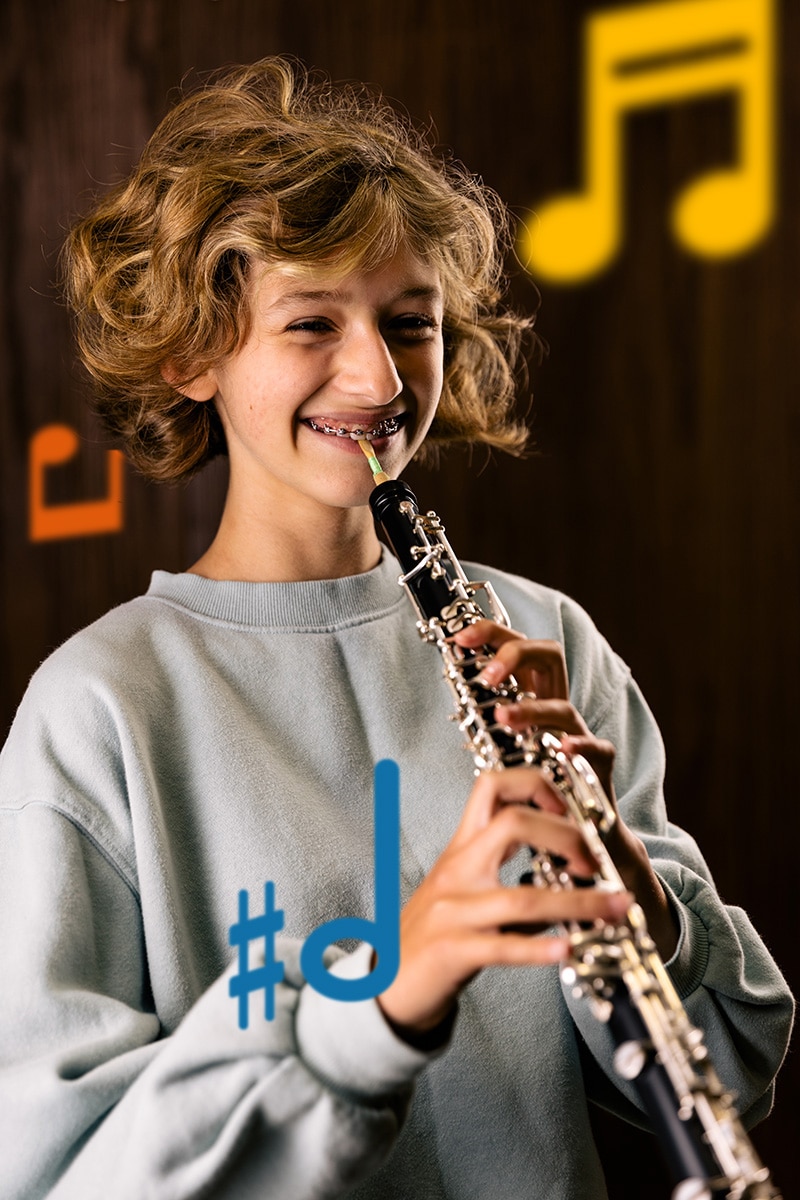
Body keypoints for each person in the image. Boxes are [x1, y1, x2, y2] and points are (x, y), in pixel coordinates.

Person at [0, 57, 792, 1200]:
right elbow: (53, 1174)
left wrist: (643, 907)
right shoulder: (101, 709)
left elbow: (741, 1066)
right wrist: (375, 1008)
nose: (376, 377)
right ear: (190, 353)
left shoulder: (539, 639)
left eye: (409, 322)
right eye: (311, 320)